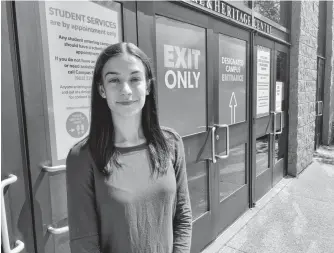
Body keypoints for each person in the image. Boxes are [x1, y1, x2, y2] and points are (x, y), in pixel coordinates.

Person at [66, 42, 192, 253]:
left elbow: (183, 217)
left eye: (135, 79)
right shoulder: (83, 157)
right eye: (114, 80)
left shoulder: (171, 143)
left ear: (148, 86)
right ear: (102, 89)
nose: (125, 90)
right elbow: (83, 243)